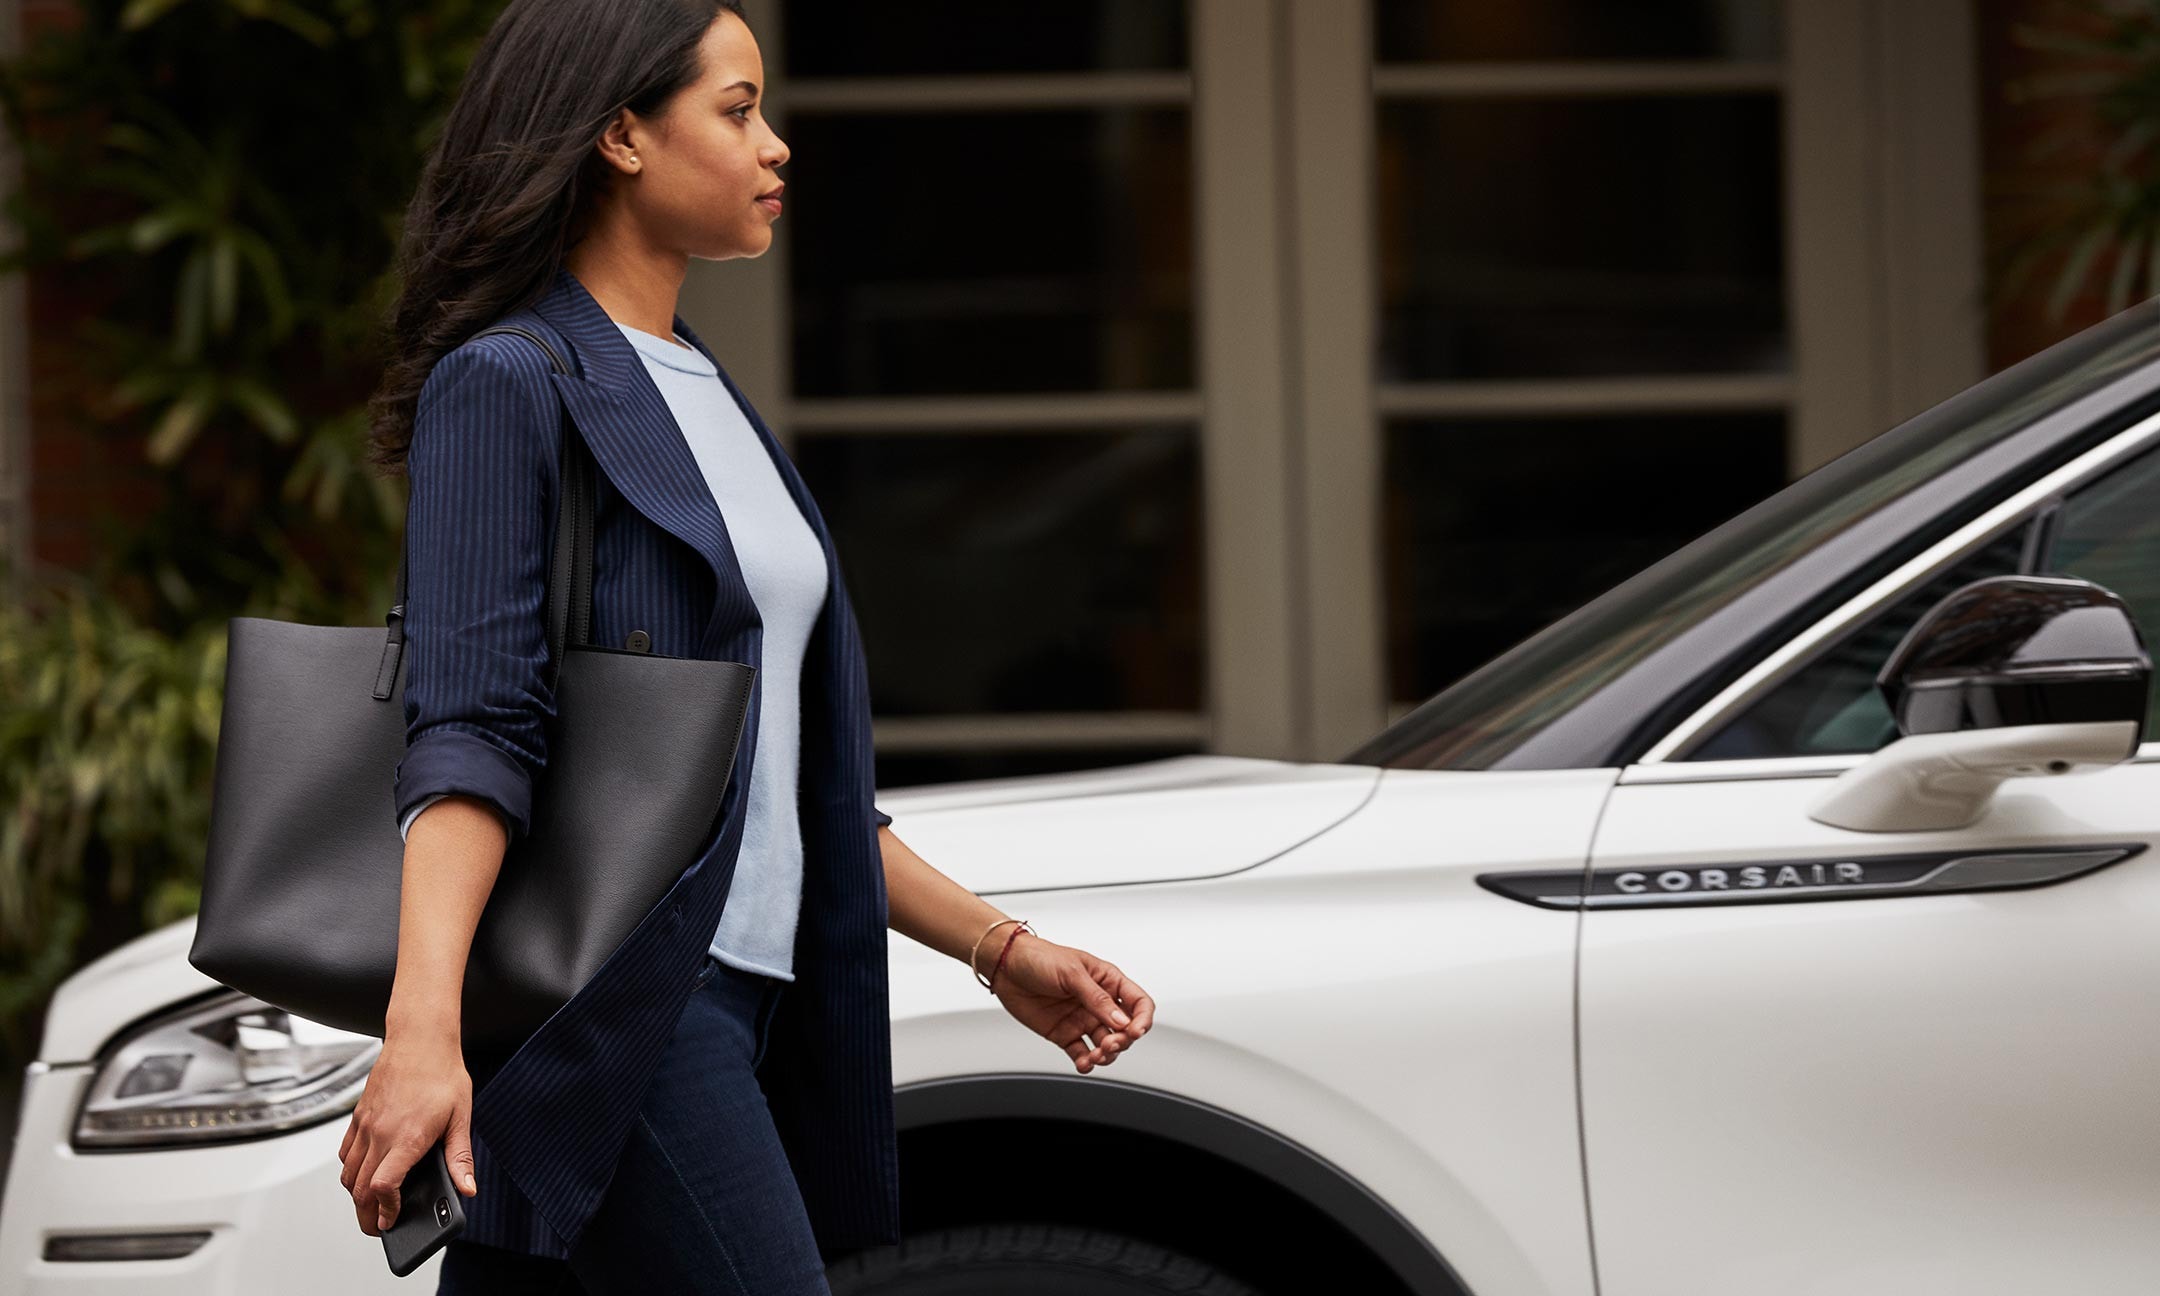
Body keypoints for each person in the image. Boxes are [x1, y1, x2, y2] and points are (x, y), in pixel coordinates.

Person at [338, 2, 1157, 1291]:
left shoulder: (703, 390)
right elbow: (474, 726)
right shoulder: (512, 379)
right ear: (618, 134)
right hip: (631, 1005)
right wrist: (422, 1028)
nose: (775, 145)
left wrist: (999, 950)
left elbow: (785, 786)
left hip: (757, 1000)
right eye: (736, 109)